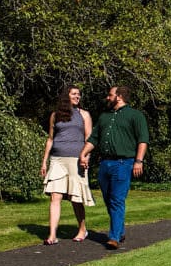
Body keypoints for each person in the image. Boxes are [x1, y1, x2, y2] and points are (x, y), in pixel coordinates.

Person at [79, 85, 149, 249]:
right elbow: (93, 139)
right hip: (105, 164)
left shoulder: (135, 115)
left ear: (119, 97)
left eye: (110, 95)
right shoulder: (104, 117)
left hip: (123, 163)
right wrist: (83, 154)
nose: (107, 98)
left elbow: (142, 140)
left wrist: (139, 161)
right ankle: (120, 230)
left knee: (117, 199)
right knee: (108, 199)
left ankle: (114, 237)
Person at [40, 85, 95, 245]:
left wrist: (86, 157)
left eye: (79, 94)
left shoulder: (84, 115)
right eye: (74, 94)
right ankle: (52, 235)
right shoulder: (55, 115)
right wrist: (44, 161)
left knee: (75, 198)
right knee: (54, 196)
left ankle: (82, 229)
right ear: (66, 96)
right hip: (57, 160)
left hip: (76, 160)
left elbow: (89, 139)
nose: (78, 96)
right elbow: (50, 138)